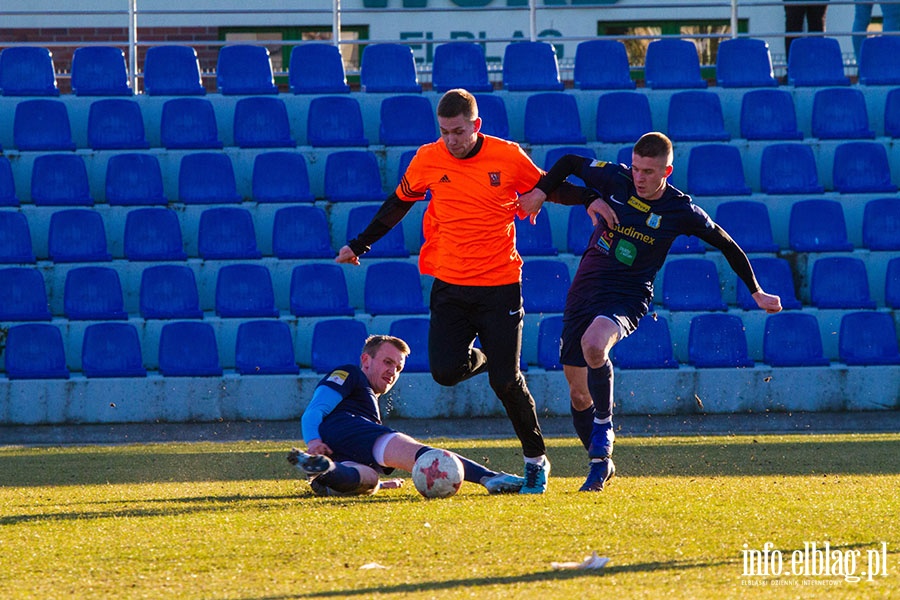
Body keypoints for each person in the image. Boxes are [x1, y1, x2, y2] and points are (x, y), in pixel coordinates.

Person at [335, 88, 595, 494]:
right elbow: (398, 202)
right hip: (451, 285)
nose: (451, 140)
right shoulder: (427, 158)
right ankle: (494, 353)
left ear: (476, 125)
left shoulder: (506, 156)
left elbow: (547, 187)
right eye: (444, 132)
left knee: (506, 382)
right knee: (444, 372)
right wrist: (360, 243)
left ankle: (535, 461)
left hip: (500, 285)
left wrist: (591, 199)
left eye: (458, 131)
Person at [518, 132, 783, 492]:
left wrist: (756, 290)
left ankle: (605, 426)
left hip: (627, 296)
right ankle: (600, 463)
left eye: (648, 171)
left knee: (595, 344)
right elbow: (567, 162)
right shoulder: (615, 178)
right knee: (578, 392)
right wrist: (543, 191)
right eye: (636, 168)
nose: (639, 178)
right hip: (584, 290)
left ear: (667, 171)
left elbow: (725, 241)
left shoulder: (680, 210)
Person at [288, 334, 526, 496]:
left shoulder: (368, 399)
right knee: (422, 453)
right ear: (365, 360)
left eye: (398, 368)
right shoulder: (350, 373)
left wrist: (382, 484)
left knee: (368, 480)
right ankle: (490, 477)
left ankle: (326, 472)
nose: (392, 372)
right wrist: (313, 441)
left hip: (337, 452)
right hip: (345, 430)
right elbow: (314, 411)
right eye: (387, 362)